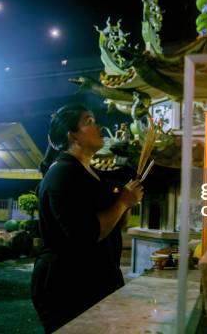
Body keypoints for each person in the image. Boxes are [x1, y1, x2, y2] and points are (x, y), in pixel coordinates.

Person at [31, 104, 143, 332]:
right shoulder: (63, 173)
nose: (98, 126)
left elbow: (114, 225)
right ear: (73, 136)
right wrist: (122, 202)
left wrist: (126, 202)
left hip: (92, 281)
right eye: (89, 121)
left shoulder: (90, 173)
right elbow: (86, 233)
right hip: (67, 285)